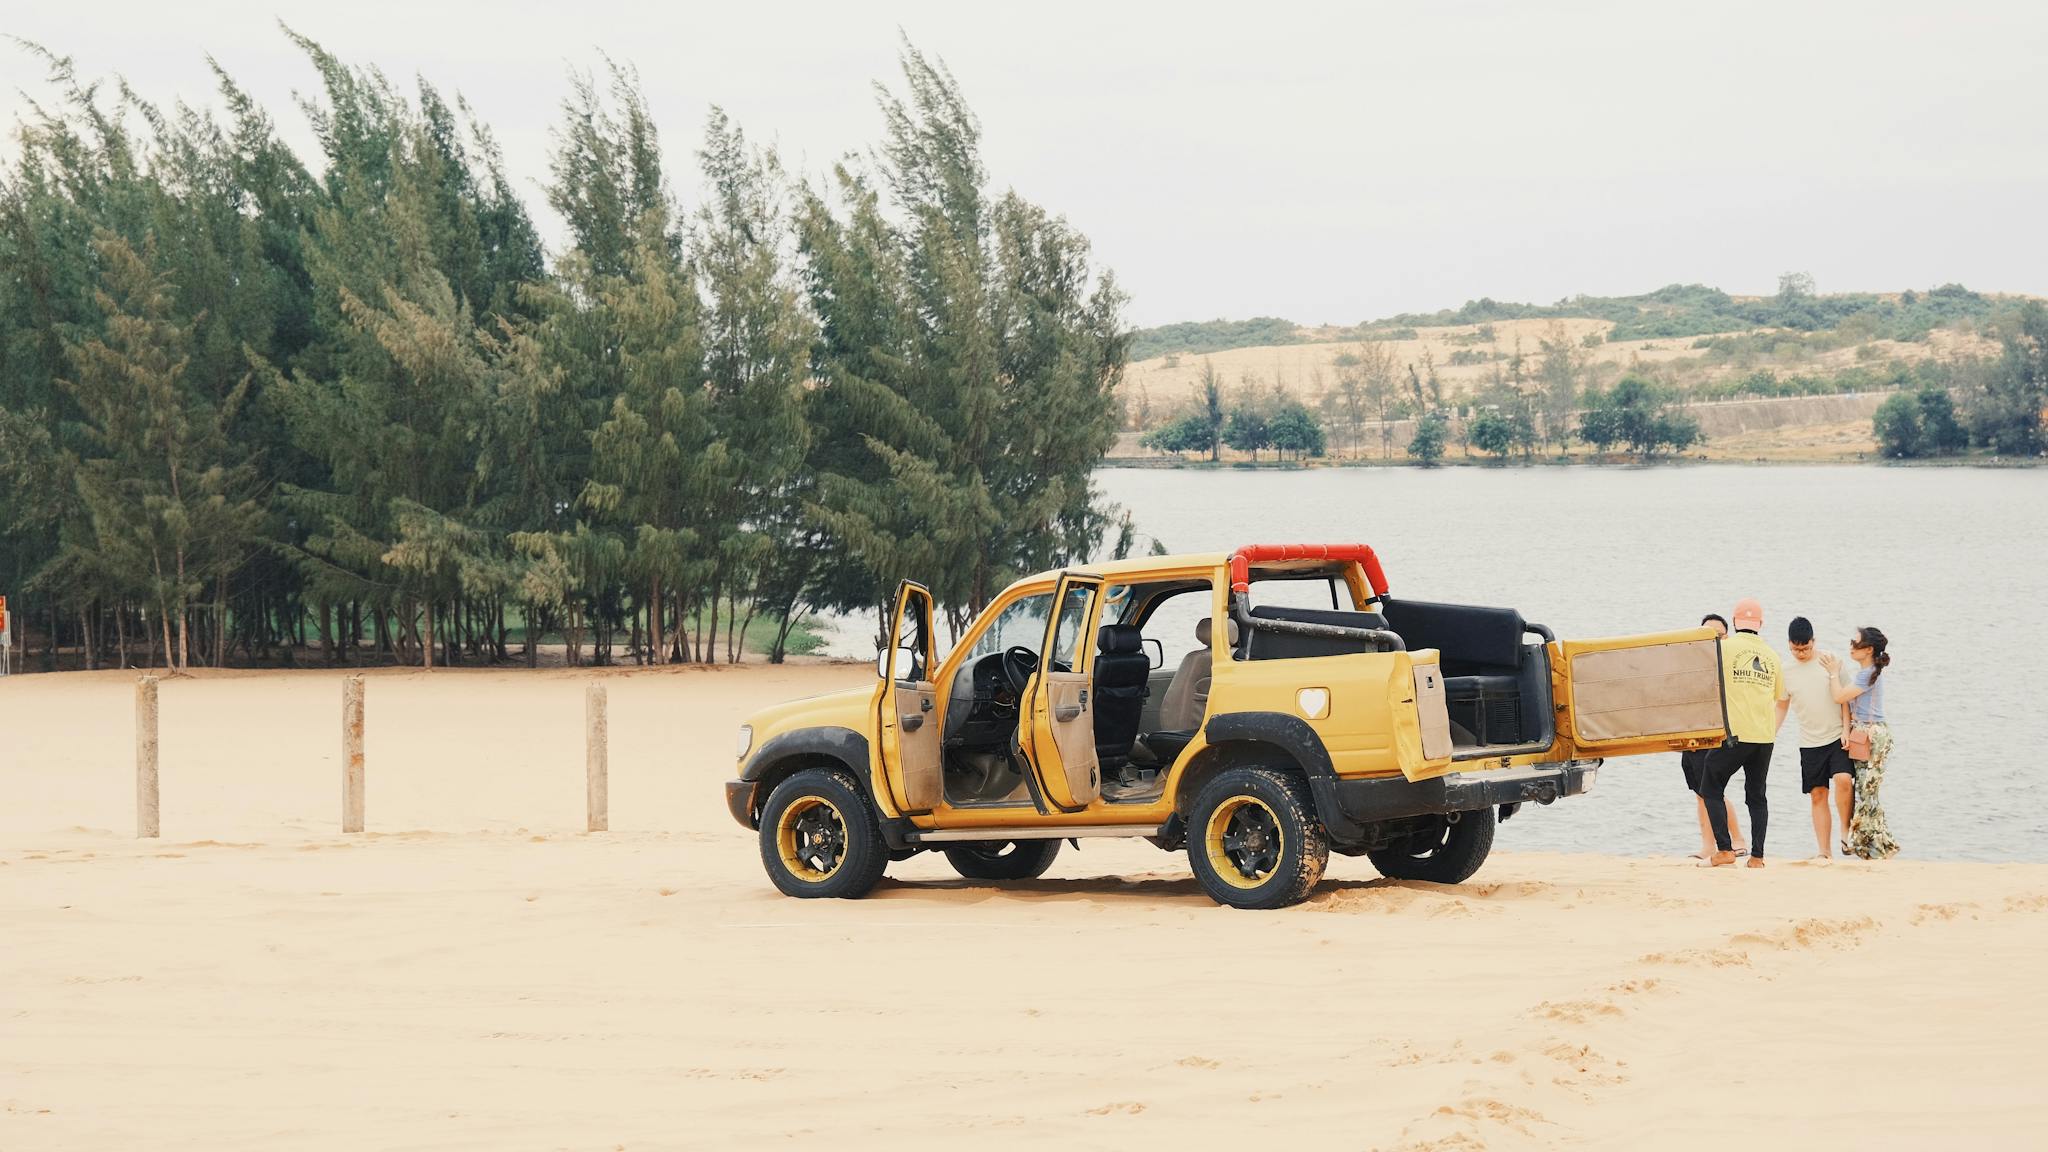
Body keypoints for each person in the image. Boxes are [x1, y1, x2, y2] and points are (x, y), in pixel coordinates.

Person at [1700, 598, 1784, 868]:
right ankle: (1757, 857)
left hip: (1735, 736)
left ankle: (1724, 849)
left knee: (1710, 787)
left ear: (1735, 623)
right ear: (1759, 624)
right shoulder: (1772, 656)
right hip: (1764, 737)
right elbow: (1778, 695)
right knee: (1757, 795)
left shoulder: (1724, 648)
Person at [1779, 616, 1853, 859]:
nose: (1801, 653)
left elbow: (1844, 698)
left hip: (1836, 736)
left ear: (1814, 641)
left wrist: (1846, 730)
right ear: (1789, 644)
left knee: (1843, 780)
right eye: (1796, 649)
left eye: (1806, 648)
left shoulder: (1831, 661)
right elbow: (1782, 705)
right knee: (1818, 794)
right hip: (1809, 742)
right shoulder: (1785, 670)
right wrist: (1770, 733)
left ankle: (1845, 830)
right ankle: (1824, 852)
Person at [1821, 627, 1898, 860]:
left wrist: (1833, 673)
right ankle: (1871, 845)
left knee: (1868, 790)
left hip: (1872, 734)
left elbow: (1839, 697)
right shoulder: (1866, 672)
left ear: (1868, 649)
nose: (1850, 647)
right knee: (1866, 790)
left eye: (1855, 643)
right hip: (1864, 733)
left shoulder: (1867, 674)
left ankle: (1876, 846)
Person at [1683, 613, 1747, 859]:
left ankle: (1737, 839)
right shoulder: (1693, 661)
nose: (1712, 639)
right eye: (1706, 634)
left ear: (1726, 636)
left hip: (1717, 735)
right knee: (1699, 793)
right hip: (1692, 735)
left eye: (1717, 635)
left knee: (1713, 791)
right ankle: (1708, 846)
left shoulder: (1729, 663)